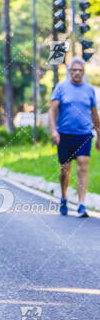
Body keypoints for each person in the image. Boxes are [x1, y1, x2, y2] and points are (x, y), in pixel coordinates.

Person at [49, 56, 100, 217]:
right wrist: (53, 131)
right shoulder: (61, 88)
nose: (77, 73)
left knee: (83, 166)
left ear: (83, 72)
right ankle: (64, 197)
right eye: (74, 70)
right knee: (65, 170)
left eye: (80, 70)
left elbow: (94, 115)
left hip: (84, 134)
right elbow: (52, 110)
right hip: (64, 134)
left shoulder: (89, 90)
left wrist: (99, 135)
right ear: (69, 72)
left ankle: (81, 204)